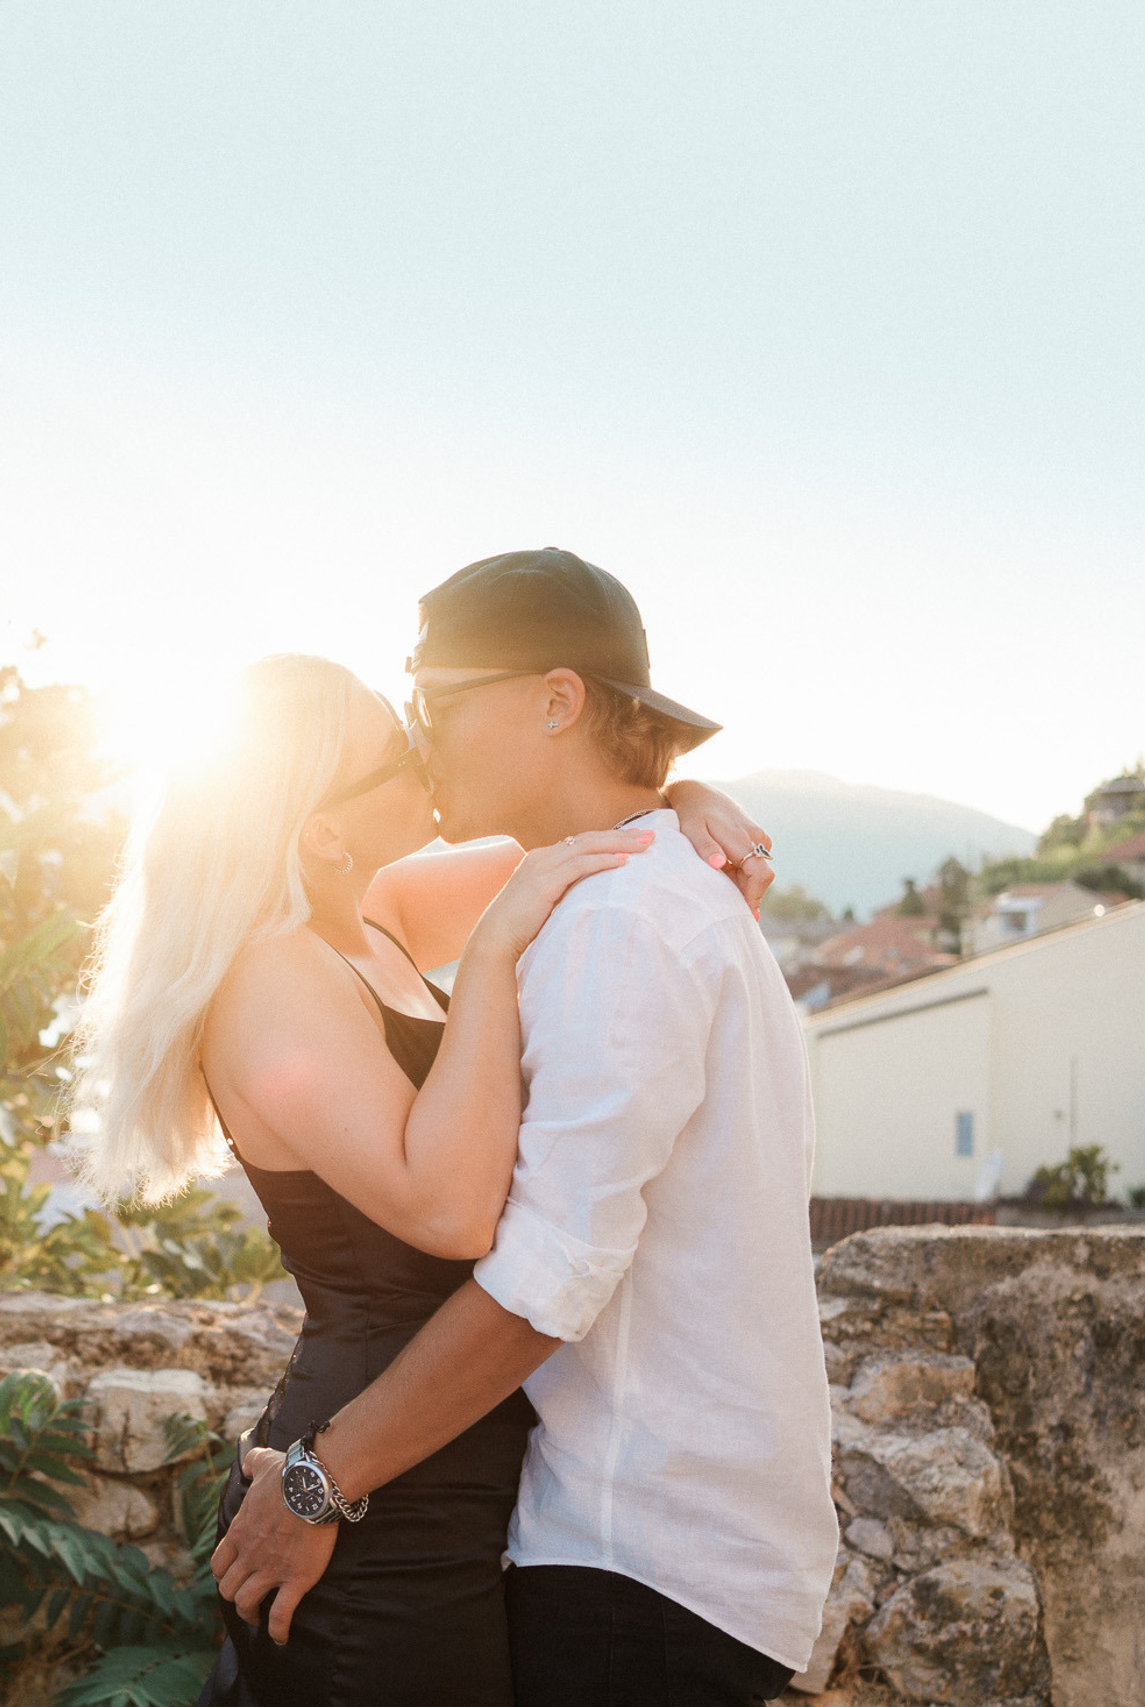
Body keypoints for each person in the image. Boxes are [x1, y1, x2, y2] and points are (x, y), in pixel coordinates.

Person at [69, 646, 775, 1707]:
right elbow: (448, 1212)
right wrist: (489, 956)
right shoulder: (271, 975)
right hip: (369, 1502)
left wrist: (682, 797)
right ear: (324, 832)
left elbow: (583, 835)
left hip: (441, 1463)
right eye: (397, 750)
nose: (426, 752)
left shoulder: (374, 918)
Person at [207, 549, 838, 1707]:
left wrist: (316, 1481)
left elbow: (547, 1272)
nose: (420, 740)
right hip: (618, 1537)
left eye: (434, 703)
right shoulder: (622, 889)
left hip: (635, 1550)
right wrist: (670, 803)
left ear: (555, 701)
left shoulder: (617, 922)